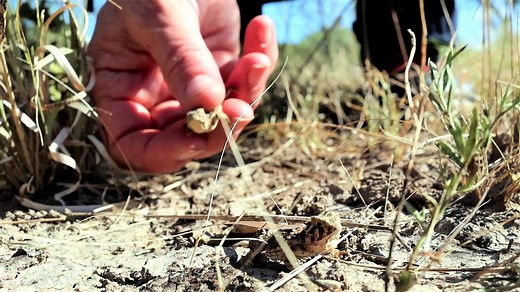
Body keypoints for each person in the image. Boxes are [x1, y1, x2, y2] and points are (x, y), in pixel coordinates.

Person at [88, 0, 279, 173]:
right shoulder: (193, 115)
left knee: (230, 102)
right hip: (194, 110)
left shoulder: (211, 113)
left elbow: (213, 113)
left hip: (207, 110)